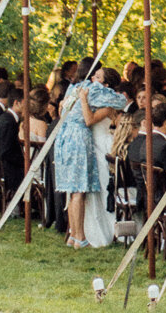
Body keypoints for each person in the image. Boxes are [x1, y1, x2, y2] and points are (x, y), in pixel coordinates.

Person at [53, 61, 130, 249]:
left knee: (74, 190)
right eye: (94, 74)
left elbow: (63, 109)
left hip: (66, 136)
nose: (95, 78)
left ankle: (74, 235)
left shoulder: (76, 87)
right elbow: (121, 102)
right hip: (79, 138)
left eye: (99, 76)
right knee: (78, 189)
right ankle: (79, 237)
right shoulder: (92, 90)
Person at [0, 85, 27, 195]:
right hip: (8, 170)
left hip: (1, 166)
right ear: (17, 103)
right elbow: (6, 151)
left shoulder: (4, 118)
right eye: (25, 103)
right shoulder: (9, 123)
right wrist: (25, 161)